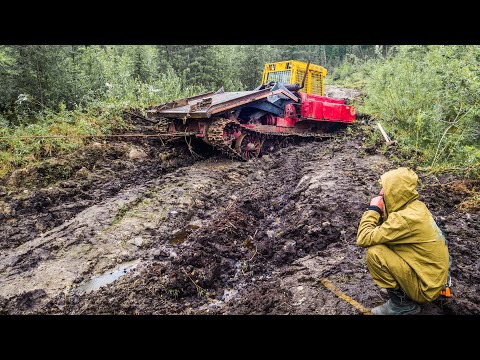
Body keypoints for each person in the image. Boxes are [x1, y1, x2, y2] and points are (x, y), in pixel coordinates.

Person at [357, 167, 450, 315]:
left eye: (385, 188)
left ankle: (402, 305)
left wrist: (374, 209)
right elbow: (388, 230)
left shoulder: (405, 219)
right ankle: (403, 287)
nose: (381, 192)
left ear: (396, 191)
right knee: (386, 241)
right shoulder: (416, 207)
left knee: (375, 253)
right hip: (434, 279)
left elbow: (363, 237)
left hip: (425, 289)